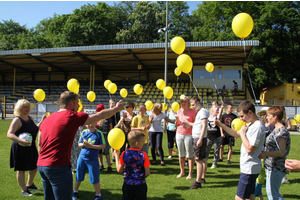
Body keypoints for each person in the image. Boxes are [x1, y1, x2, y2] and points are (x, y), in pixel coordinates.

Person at [37, 91, 123, 200]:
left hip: (41, 165)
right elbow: (100, 115)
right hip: (58, 166)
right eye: (77, 103)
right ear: (71, 104)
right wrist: (116, 108)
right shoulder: (71, 116)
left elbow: (39, 143)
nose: (79, 106)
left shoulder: (48, 119)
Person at [214, 100, 265, 200]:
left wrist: (242, 133)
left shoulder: (257, 127)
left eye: (242, 116)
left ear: (250, 112)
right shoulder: (251, 124)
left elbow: (250, 149)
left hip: (250, 168)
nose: (241, 119)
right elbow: (236, 133)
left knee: (239, 198)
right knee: (250, 197)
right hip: (250, 167)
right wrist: (222, 125)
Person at [7, 99, 45, 196]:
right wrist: (20, 141)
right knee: (21, 169)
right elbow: (9, 134)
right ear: (19, 108)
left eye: (28, 106)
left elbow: (36, 129)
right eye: (25, 107)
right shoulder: (17, 120)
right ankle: (24, 190)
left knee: (35, 166)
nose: (28, 109)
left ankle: (29, 184)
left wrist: (42, 121)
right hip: (20, 147)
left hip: (30, 146)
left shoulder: (30, 118)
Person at [259, 106, 291, 200]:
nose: (267, 118)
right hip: (271, 166)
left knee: (273, 195)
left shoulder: (281, 132)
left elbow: (281, 152)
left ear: (275, 116)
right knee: (271, 194)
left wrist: (265, 153)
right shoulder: (275, 129)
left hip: (276, 167)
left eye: (269, 115)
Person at [113, 130, 151, 200]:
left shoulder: (124, 153)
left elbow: (119, 169)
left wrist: (116, 156)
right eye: (142, 142)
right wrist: (141, 177)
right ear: (137, 143)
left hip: (128, 185)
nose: (143, 143)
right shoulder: (143, 155)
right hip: (140, 185)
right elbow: (147, 173)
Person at [72, 122, 106, 200]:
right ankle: (75, 192)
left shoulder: (99, 133)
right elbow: (79, 144)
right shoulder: (84, 132)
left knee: (95, 177)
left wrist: (91, 146)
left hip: (93, 159)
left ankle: (98, 195)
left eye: (92, 123)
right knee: (78, 176)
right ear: (86, 124)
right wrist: (83, 144)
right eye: (89, 123)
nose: (90, 125)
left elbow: (103, 146)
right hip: (82, 158)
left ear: (95, 124)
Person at [175, 96, 197, 180]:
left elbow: (196, 124)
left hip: (189, 134)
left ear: (188, 103)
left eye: (184, 102)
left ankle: (190, 173)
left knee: (189, 154)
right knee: (181, 154)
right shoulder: (179, 111)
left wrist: (188, 123)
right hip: (179, 133)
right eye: (182, 102)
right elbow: (177, 124)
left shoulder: (193, 112)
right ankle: (182, 171)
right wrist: (177, 120)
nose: (183, 103)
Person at [189, 97, 208, 189]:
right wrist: (188, 124)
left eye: (193, 105)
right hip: (199, 137)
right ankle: (201, 178)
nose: (192, 107)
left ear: (198, 103)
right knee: (203, 159)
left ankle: (198, 182)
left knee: (198, 160)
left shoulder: (202, 111)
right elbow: (198, 125)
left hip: (199, 138)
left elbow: (204, 125)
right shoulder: (200, 112)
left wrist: (200, 139)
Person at [96, 104, 113, 173]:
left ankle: (109, 166)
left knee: (106, 151)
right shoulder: (97, 116)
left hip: (106, 135)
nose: (98, 112)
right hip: (99, 135)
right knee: (99, 151)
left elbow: (111, 126)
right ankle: (101, 165)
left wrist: (110, 135)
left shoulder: (108, 116)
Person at [206, 105, 223, 169]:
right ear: (212, 110)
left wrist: (222, 108)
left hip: (217, 137)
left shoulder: (217, 117)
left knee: (216, 150)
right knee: (207, 150)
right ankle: (205, 161)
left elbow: (220, 116)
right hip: (209, 136)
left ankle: (214, 163)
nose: (218, 111)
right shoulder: (208, 117)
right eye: (217, 110)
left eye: (218, 110)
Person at [71, 105, 85, 171]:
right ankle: (72, 166)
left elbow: (84, 126)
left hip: (80, 137)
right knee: (73, 151)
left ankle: (78, 166)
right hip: (75, 136)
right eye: (82, 108)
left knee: (78, 152)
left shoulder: (82, 117)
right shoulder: (76, 117)